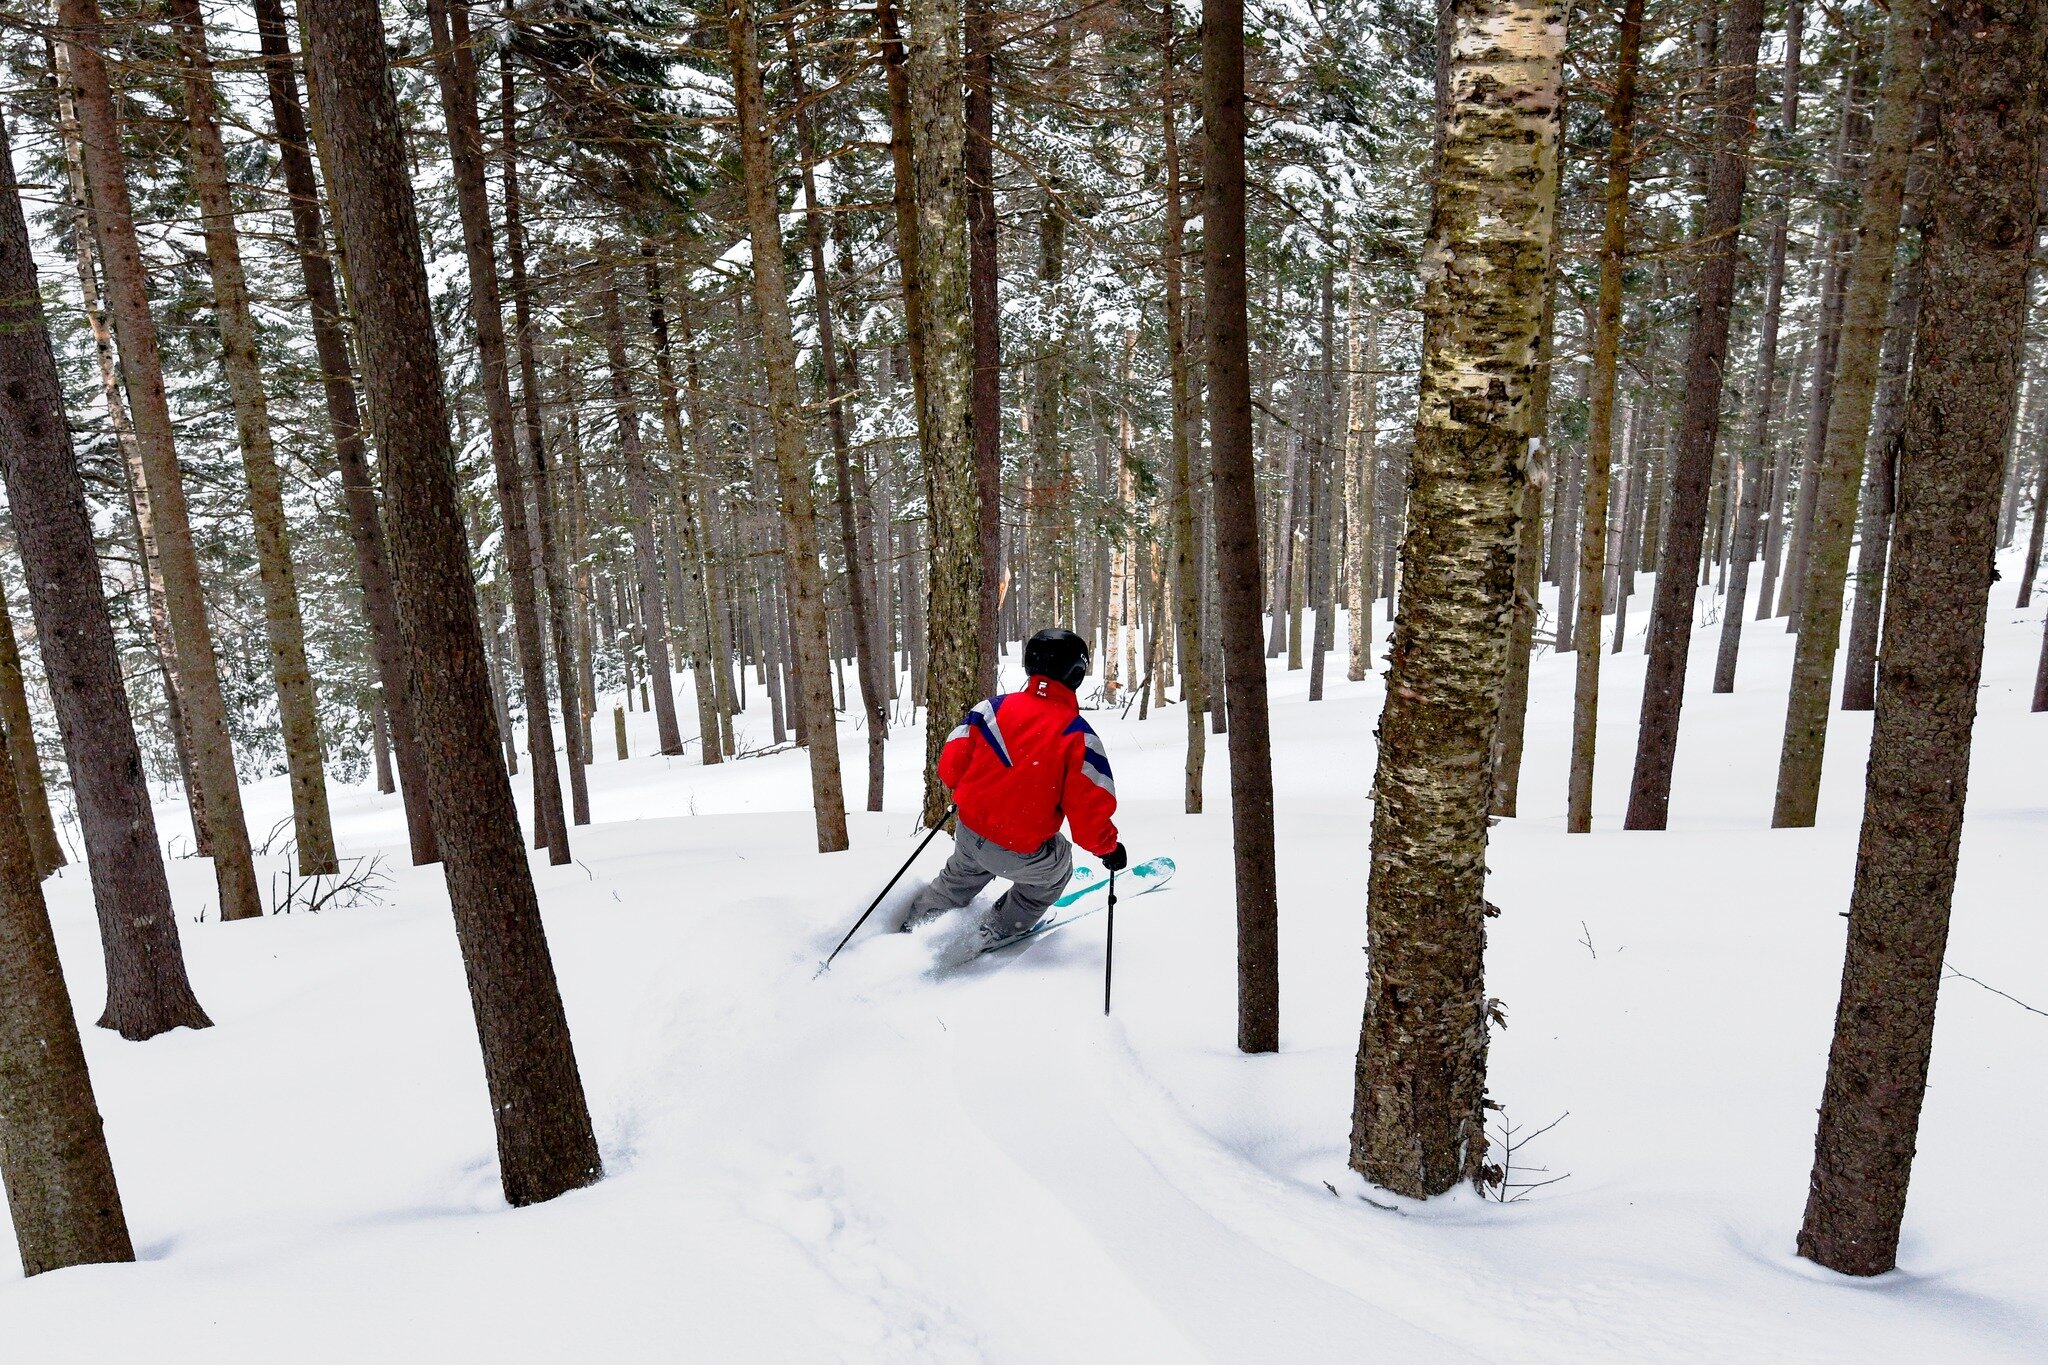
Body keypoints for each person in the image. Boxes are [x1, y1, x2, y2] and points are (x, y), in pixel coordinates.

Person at [905, 628, 1126, 945]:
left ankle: (913, 931)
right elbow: (1089, 815)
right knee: (1057, 869)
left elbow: (950, 768)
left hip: (969, 831)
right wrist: (1109, 849)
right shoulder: (1079, 737)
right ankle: (995, 930)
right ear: (1076, 673)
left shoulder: (990, 709)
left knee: (958, 879)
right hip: (1020, 850)